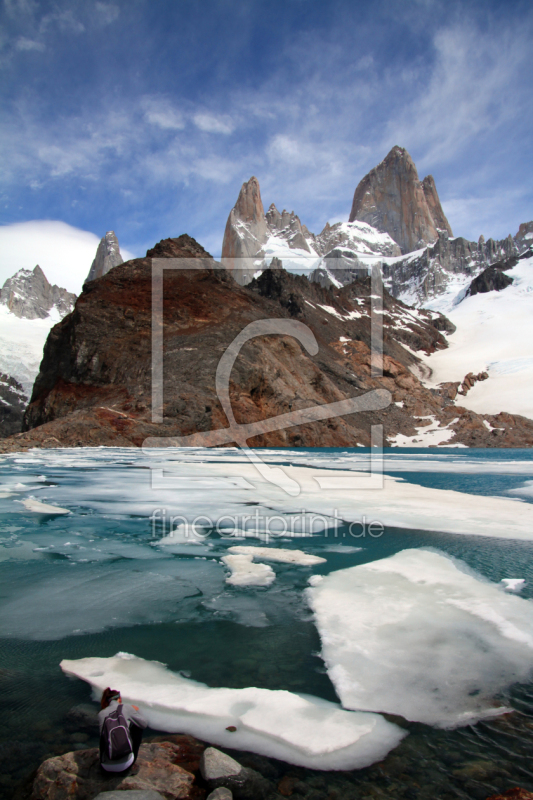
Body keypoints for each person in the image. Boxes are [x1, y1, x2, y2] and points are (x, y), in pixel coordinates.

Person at [98, 687, 148, 773]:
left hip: (106, 767)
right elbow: (144, 724)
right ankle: (130, 764)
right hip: (125, 765)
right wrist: (137, 710)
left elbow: (102, 739)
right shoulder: (127, 708)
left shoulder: (101, 714)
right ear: (119, 699)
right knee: (137, 727)